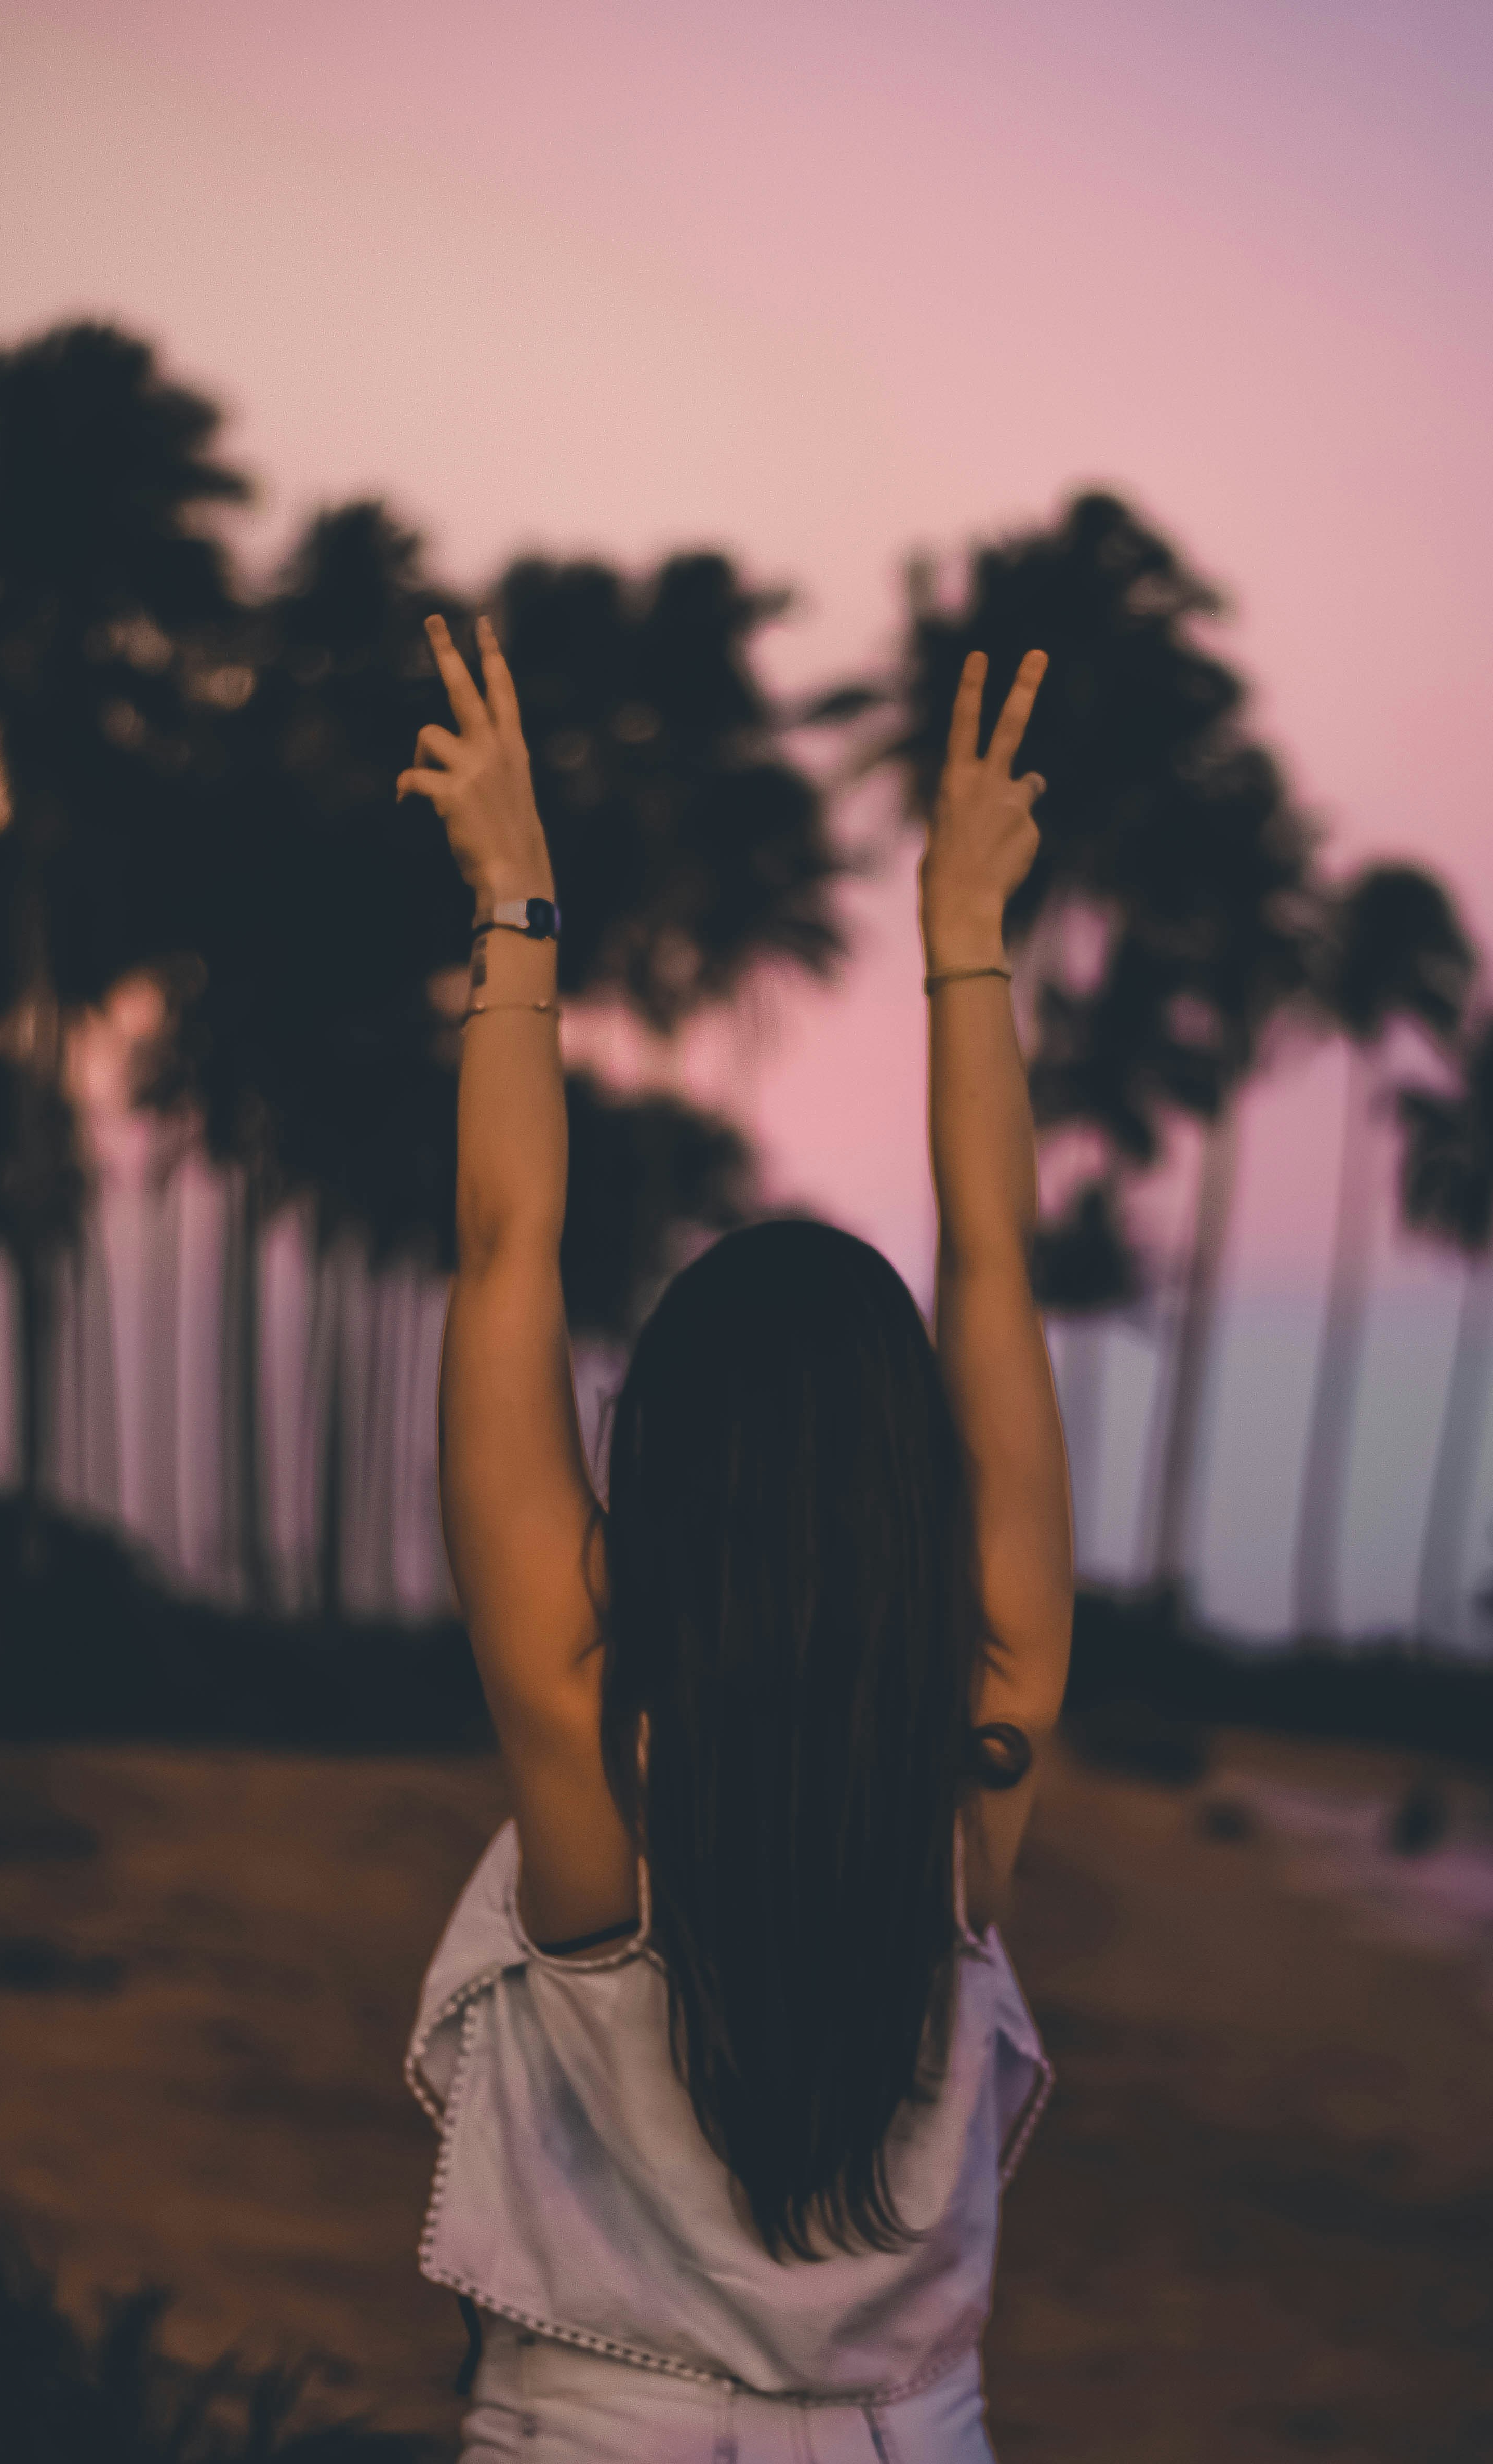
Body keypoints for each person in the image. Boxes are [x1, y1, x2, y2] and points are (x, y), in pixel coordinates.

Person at [397, 614, 1075, 2462]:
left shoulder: (587, 1735)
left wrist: (520, 907)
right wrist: (962, 942)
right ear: (904, 1485)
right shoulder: (970, 1748)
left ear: (662, 1465)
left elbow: (503, 1255)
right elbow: (1000, 1263)